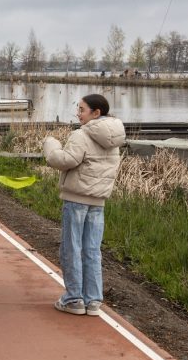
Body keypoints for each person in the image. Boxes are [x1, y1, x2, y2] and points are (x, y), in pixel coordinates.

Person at [43, 93, 126, 316]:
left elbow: (65, 161)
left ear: (96, 112)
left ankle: (73, 299)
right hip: (98, 201)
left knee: (71, 248)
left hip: (76, 198)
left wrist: (50, 146)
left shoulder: (82, 135)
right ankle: (93, 301)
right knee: (92, 250)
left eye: (82, 109)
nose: (78, 114)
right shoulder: (114, 139)